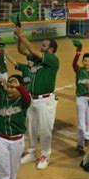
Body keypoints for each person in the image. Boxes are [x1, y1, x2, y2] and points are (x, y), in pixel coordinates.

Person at [15, 28, 59, 170]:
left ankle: (45, 154)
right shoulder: (37, 59)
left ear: (51, 49)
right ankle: (32, 151)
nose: (41, 47)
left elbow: (33, 50)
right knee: (32, 127)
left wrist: (23, 35)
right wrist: (19, 39)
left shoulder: (52, 60)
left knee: (45, 129)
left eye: (44, 46)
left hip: (45, 101)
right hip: (32, 99)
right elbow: (23, 51)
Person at [73, 47, 89, 153]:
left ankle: (86, 140)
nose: (87, 63)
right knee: (81, 122)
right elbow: (74, 64)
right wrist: (78, 53)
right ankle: (81, 143)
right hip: (81, 98)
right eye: (85, 61)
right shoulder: (79, 70)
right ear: (83, 61)